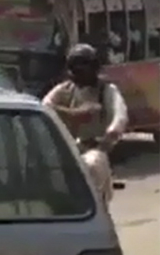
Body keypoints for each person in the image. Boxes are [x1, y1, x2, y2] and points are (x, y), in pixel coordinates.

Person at [42, 44, 128, 207]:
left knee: (93, 166)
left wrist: (110, 135)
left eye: (84, 66)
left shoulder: (106, 90)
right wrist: (74, 114)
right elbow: (45, 106)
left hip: (94, 148)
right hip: (65, 151)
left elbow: (119, 115)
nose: (80, 72)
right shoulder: (64, 89)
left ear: (94, 67)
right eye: (76, 67)